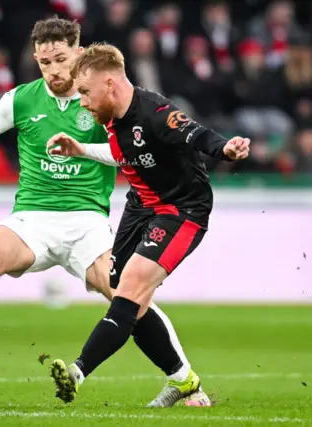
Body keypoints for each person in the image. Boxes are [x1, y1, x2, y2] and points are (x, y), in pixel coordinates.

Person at [0, 18, 211, 408]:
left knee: (127, 294)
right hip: (32, 219)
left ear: (79, 54)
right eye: (45, 62)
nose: (53, 70)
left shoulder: (102, 102)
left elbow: (135, 152)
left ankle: (186, 380)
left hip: (87, 222)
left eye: (61, 59)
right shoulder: (21, 100)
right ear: (36, 59)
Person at [46, 42, 250, 406]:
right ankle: (185, 381)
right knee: (125, 295)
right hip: (140, 206)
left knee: (131, 288)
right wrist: (81, 149)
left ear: (109, 84)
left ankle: (76, 373)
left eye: (86, 92)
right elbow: (124, 151)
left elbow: (196, 134)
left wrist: (226, 149)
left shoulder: (155, 112)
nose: (83, 102)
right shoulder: (109, 117)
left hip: (180, 210)